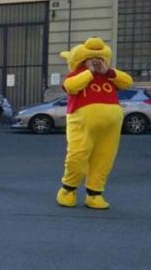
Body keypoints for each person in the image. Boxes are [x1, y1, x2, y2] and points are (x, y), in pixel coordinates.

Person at [56, 37, 133, 210]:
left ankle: (94, 193)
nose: (96, 63)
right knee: (77, 157)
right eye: (92, 60)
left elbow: (127, 82)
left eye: (99, 60)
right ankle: (68, 190)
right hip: (81, 123)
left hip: (110, 127)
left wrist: (108, 71)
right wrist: (89, 72)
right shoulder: (78, 74)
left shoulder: (109, 75)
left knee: (104, 159)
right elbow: (71, 86)